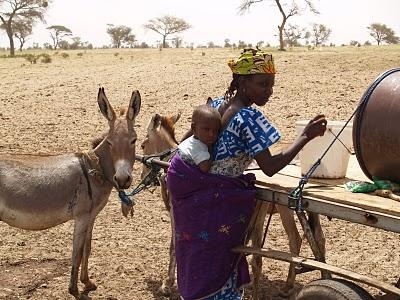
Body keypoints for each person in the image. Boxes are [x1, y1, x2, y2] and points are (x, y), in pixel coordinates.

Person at [167, 48, 327, 300]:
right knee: (219, 271)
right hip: (216, 202)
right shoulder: (248, 118)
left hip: (199, 201)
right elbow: (270, 166)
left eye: (272, 85)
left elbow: (189, 137)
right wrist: (305, 136)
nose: (269, 90)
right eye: (263, 84)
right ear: (243, 82)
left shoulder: (217, 105)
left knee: (201, 262)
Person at [178, 104, 221, 173]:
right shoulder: (198, 147)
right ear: (193, 128)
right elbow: (205, 168)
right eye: (206, 129)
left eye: (216, 131)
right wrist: (211, 151)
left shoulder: (189, 141)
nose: (211, 134)